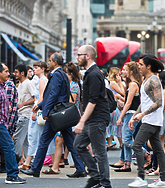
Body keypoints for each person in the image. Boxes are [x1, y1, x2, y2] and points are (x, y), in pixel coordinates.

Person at [20, 52, 86, 178]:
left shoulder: (56, 75)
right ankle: (81, 169)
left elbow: (53, 94)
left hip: (54, 114)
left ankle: (35, 169)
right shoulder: (63, 74)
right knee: (70, 143)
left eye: (50, 60)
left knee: (44, 141)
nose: (48, 62)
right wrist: (39, 105)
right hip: (62, 115)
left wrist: (45, 111)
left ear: (55, 62)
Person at [128, 54, 165, 187]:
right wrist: (136, 114)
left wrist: (142, 115)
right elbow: (146, 101)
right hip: (149, 119)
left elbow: (158, 102)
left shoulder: (154, 80)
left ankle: (141, 178)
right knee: (158, 149)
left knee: (136, 145)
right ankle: (164, 180)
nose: (138, 67)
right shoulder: (147, 79)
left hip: (151, 120)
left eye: (141, 64)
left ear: (149, 66)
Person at [73, 45, 111, 188]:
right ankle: (95, 176)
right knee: (78, 145)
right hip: (91, 119)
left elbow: (93, 100)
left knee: (99, 152)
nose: (77, 57)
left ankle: (105, 183)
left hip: (97, 118)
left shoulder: (94, 74)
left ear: (87, 56)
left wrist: (81, 121)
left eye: (79, 55)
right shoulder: (90, 73)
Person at [44, 62, 82, 175]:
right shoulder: (70, 84)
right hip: (65, 116)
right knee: (63, 141)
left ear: (70, 74)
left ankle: (83, 164)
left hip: (67, 116)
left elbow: (71, 103)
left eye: (66, 73)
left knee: (68, 142)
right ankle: (57, 166)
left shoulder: (74, 85)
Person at [22, 61, 55, 171]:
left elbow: (41, 97)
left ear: (42, 69)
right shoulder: (44, 80)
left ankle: (28, 162)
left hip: (38, 110)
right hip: (40, 110)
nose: (34, 69)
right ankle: (52, 162)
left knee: (35, 136)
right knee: (43, 137)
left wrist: (36, 110)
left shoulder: (42, 81)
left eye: (36, 68)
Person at [115, 62, 143, 173]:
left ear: (131, 72)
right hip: (132, 114)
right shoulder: (132, 83)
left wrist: (120, 117)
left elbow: (128, 103)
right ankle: (127, 164)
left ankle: (144, 153)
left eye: (125, 70)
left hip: (130, 114)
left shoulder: (133, 84)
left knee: (126, 139)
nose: (122, 71)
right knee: (128, 138)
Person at [14, 64, 35, 162]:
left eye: (16, 72)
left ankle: (16, 159)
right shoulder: (21, 84)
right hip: (22, 114)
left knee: (17, 138)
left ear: (22, 73)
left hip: (25, 115)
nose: (15, 74)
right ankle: (28, 161)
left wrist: (23, 104)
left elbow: (35, 99)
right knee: (26, 140)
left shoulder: (28, 83)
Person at [106, 67, 125, 150]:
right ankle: (121, 143)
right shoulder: (113, 83)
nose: (120, 76)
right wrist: (120, 82)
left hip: (112, 107)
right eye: (119, 74)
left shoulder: (109, 82)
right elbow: (123, 93)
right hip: (115, 107)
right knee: (117, 125)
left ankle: (110, 143)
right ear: (115, 75)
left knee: (111, 125)